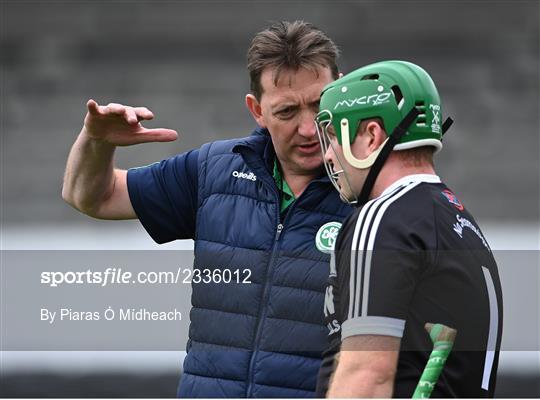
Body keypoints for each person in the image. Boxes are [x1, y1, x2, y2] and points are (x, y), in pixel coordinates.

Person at [62, 21, 352, 397]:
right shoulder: (214, 169)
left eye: (319, 104)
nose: (309, 128)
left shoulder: (373, 191)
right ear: (257, 111)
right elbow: (90, 196)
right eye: (286, 112)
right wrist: (97, 142)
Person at [314, 60, 503, 398]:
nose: (327, 155)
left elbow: (366, 376)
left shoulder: (383, 218)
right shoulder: (460, 221)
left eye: (333, 138)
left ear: (371, 136)